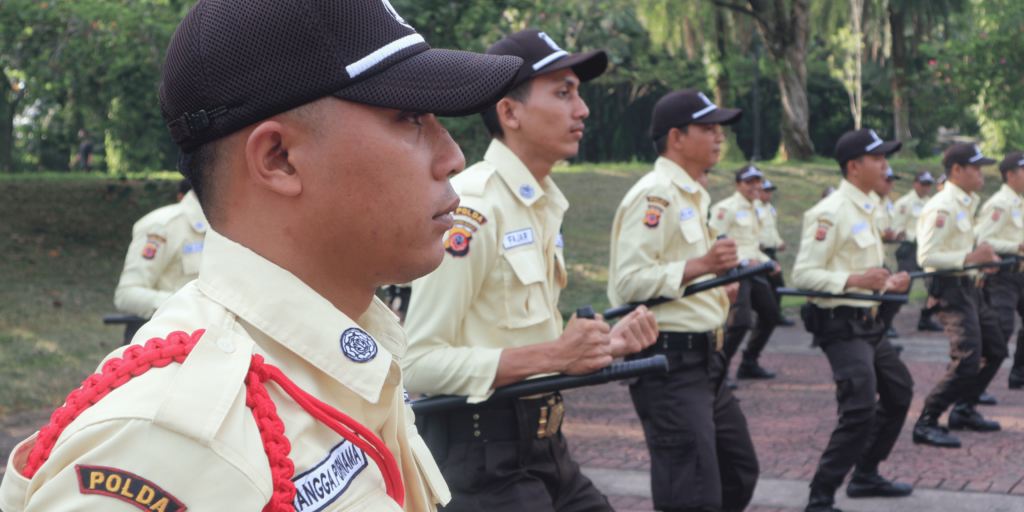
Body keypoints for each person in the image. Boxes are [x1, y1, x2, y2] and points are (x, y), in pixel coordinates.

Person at [0, 0, 527, 509]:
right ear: (279, 159)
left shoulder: (343, 352)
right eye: (411, 117)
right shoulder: (169, 444)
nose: (454, 156)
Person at [401, 30, 659, 512]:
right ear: (509, 111)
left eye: (577, 94)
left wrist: (603, 345)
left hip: (546, 448)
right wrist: (556, 353)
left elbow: (519, 337)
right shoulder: (475, 207)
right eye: (563, 93)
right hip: (484, 462)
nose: (581, 109)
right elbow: (417, 362)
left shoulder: (541, 204)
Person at [608, 88, 759, 512]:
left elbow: (682, 271)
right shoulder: (656, 194)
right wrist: (703, 265)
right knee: (691, 494)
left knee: (738, 471)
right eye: (708, 129)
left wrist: (716, 285)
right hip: (670, 364)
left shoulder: (691, 193)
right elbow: (629, 282)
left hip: (707, 362)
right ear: (676, 137)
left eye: (720, 130)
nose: (719, 138)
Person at [791, 128, 915, 512]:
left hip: (869, 321)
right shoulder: (829, 212)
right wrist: (855, 281)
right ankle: (821, 495)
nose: (886, 166)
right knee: (859, 408)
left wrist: (885, 282)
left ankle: (865, 474)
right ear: (854, 167)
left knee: (898, 391)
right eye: (878, 159)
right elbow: (803, 276)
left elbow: (863, 269)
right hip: (840, 323)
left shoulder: (869, 206)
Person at [912, 143, 1006, 449]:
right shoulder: (942, 206)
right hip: (949, 291)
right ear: (956, 170)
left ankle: (964, 410)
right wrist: (970, 258)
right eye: (976, 168)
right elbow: (926, 255)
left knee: (995, 350)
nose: (982, 174)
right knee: (967, 359)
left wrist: (981, 264)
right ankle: (927, 421)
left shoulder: (964, 204)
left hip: (969, 287)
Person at [709, 165, 782, 379]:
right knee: (739, 321)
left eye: (758, 181)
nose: (756, 186)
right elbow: (715, 240)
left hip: (753, 269)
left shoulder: (757, 206)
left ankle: (749, 362)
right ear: (738, 185)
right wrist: (742, 262)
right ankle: (717, 372)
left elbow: (750, 243)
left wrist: (767, 261)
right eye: (749, 182)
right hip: (733, 271)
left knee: (771, 314)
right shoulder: (725, 208)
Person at [113, 180, 208, 319]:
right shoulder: (162, 226)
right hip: (166, 334)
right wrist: (185, 305)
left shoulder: (230, 228)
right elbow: (126, 294)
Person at [975, 151, 1024, 390]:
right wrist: (1017, 246)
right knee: (1002, 328)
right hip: (1002, 273)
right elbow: (984, 240)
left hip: (1020, 273)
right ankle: (974, 388)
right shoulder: (999, 203)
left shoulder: (1019, 201)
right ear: (1010, 175)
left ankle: (1019, 374)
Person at [892, 170, 943, 332]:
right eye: (923, 184)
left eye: (929, 185)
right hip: (910, 248)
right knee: (903, 286)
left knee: (937, 285)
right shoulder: (904, 203)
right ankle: (887, 323)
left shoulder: (934, 203)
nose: (926, 188)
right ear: (915, 184)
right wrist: (916, 235)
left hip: (927, 249)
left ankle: (926, 318)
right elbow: (896, 229)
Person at [757, 179, 795, 327]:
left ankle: (775, 314)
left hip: (771, 252)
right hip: (759, 252)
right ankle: (765, 315)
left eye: (770, 191)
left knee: (777, 284)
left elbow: (772, 230)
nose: (769, 195)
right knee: (762, 286)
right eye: (766, 191)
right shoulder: (754, 207)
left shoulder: (770, 208)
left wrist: (779, 242)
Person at [874, 167, 903, 339]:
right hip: (863, 261)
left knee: (895, 290)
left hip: (880, 257)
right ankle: (879, 326)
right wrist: (881, 235)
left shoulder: (886, 202)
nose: (891, 184)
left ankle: (883, 326)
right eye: (887, 180)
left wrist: (893, 234)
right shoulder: (868, 202)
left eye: (892, 180)